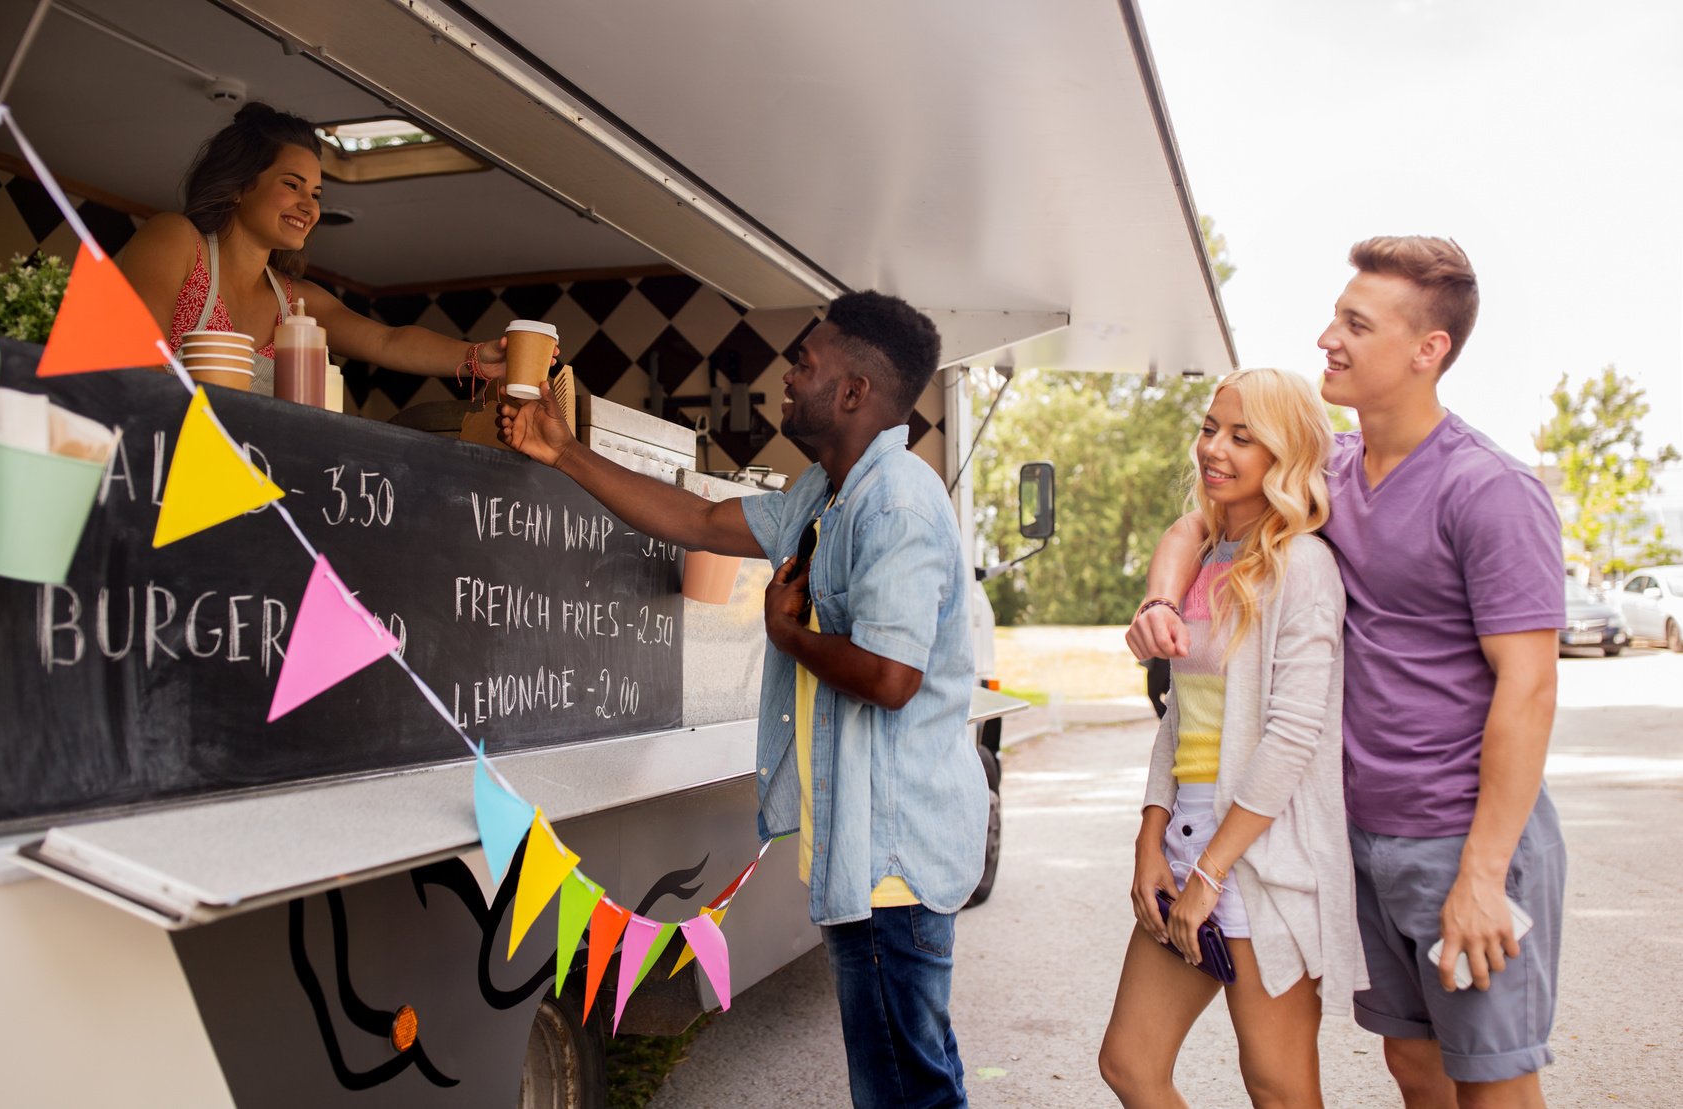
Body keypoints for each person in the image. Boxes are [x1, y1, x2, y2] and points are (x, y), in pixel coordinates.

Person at [497, 291, 986, 1108]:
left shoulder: (894, 501)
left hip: (893, 861)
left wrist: (788, 634)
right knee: (915, 1075)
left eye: (807, 363)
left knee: (904, 1088)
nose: (787, 377)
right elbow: (697, 517)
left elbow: (892, 678)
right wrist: (564, 452)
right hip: (868, 855)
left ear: (856, 391)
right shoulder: (826, 494)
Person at [1128, 237, 1566, 1107]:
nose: (1328, 336)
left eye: (1356, 324)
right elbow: (1200, 519)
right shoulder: (1329, 468)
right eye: (1336, 315)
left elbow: (1530, 686)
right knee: (1413, 1067)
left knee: (1492, 1085)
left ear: (1426, 349)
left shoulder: (1489, 490)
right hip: (1353, 837)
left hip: (1458, 839)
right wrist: (1161, 601)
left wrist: (1482, 874)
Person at [1097, 368, 1365, 1107]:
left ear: (1286, 455)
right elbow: (1183, 719)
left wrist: (1211, 872)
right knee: (1130, 1061)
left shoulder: (1303, 565)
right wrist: (1151, 838)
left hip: (1257, 854)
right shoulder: (1212, 558)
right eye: (1211, 426)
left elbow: (1293, 737)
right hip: (1187, 837)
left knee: (1277, 1086)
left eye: (1243, 436)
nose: (1214, 447)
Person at [120, 102, 508, 394]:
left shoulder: (297, 303)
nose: (309, 206)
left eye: (316, 193)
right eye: (292, 185)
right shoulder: (178, 241)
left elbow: (387, 340)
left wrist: (478, 357)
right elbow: (135, 358)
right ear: (238, 186)